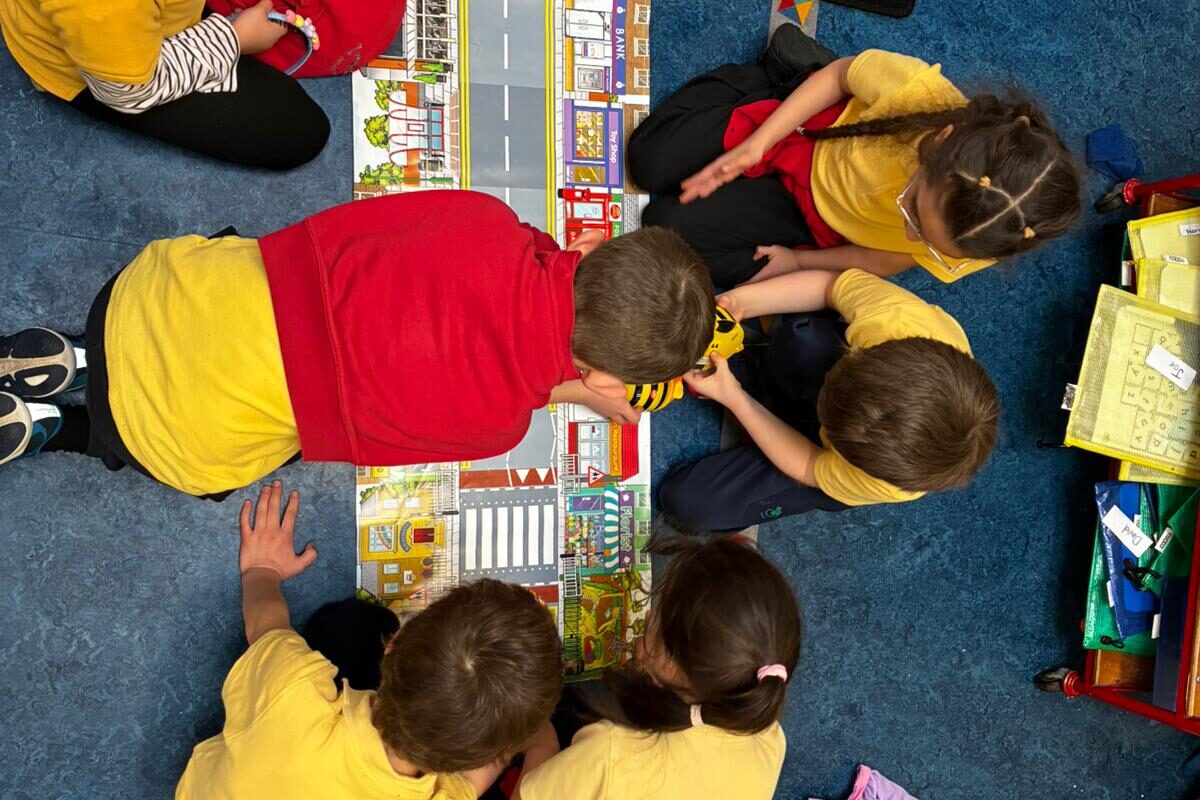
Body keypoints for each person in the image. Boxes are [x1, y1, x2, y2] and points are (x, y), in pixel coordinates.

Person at [0, 191, 715, 498]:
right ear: (601, 379)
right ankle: (59, 428)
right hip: (167, 434)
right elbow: (350, 434)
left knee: (242, 272)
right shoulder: (499, 427)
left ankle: (80, 353)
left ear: (589, 244)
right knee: (252, 445)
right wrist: (574, 385)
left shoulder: (488, 219)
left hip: (149, 290)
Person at [175, 480, 564, 799]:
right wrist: (540, 743)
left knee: (349, 627)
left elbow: (263, 622)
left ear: (392, 643)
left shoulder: (292, 690)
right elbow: (477, 779)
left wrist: (262, 569)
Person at [627, 25, 1081, 287]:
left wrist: (799, 263)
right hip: (807, 136)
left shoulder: (984, 236)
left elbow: (881, 258)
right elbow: (841, 76)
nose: (908, 233)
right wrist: (758, 143)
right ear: (942, 140)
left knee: (663, 230)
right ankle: (777, 71)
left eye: (925, 240)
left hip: (816, 222)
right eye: (914, 209)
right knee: (647, 160)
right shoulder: (914, 92)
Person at [659, 268, 1000, 531]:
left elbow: (809, 465)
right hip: (850, 383)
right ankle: (768, 380)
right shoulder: (899, 320)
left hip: (823, 462)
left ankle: (763, 398)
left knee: (687, 505)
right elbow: (830, 286)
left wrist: (737, 399)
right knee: (801, 342)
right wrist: (740, 301)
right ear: (867, 351)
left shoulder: (885, 480)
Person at [513, 536, 800, 800]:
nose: (648, 614)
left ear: (669, 663)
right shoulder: (768, 735)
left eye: (657, 615)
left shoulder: (611, 751)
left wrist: (543, 746)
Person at [0, 0, 329, 168]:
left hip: (124, 32)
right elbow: (128, 92)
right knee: (297, 129)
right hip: (113, 71)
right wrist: (234, 38)